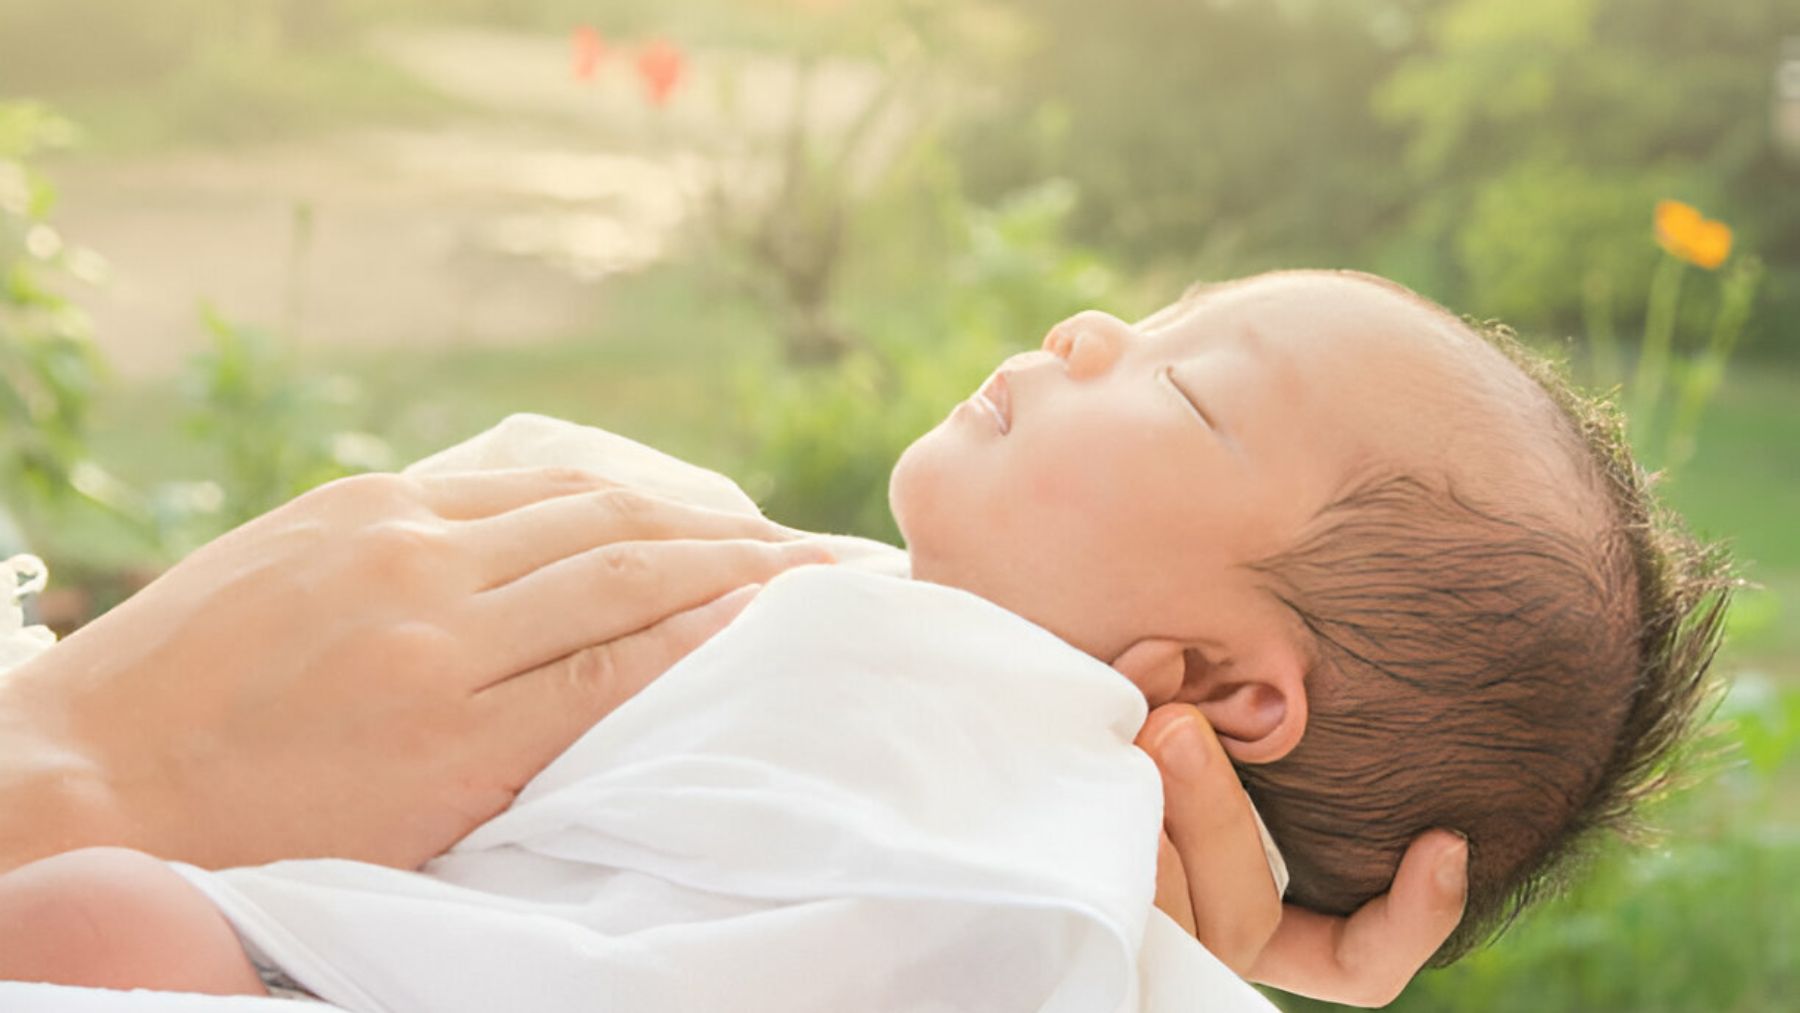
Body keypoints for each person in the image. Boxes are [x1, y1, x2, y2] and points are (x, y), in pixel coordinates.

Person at [0, 273, 1518, 1007]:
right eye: (1164, 312)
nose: (1092, 331)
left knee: (100, 926)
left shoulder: (1043, 824)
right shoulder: (934, 671)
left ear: (1222, 690)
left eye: (1188, 389)